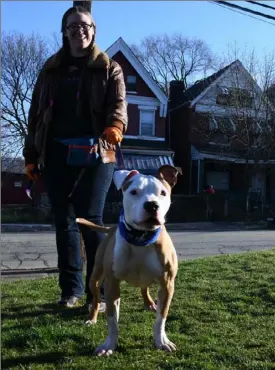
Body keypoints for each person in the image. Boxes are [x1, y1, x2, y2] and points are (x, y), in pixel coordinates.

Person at [23, 6, 127, 309]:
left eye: (84, 25)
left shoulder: (109, 67)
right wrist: (31, 155)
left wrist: (115, 126)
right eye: (72, 26)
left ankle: (101, 291)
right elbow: (35, 114)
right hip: (55, 153)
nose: (78, 30)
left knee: (91, 221)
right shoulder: (51, 69)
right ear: (64, 31)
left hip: (97, 151)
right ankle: (71, 292)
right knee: (64, 222)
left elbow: (119, 103)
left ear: (94, 30)